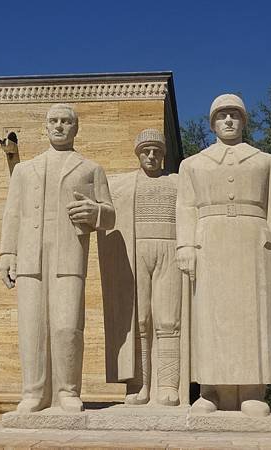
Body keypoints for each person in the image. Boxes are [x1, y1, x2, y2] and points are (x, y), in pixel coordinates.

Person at [176, 94, 271, 415]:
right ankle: (211, 390)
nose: (228, 120)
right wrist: (184, 245)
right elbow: (184, 207)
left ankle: (253, 390)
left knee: (253, 315)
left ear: (243, 121)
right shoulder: (193, 164)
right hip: (208, 244)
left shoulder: (265, 161)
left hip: (253, 243)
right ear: (212, 122)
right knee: (209, 315)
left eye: (234, 115)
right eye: (222, 115)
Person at [0, 104, 115, 413]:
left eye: (66, 121)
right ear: (45, 127)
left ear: (75, 128)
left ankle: (67, 391)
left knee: (67, 325)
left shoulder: (90, 169)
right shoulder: (25, 170)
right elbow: (13, 213)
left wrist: (95, 212)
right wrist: (7, 252)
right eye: (54, 121)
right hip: (30, 255)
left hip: (69, 254)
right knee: (32, 325)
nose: (60, 126)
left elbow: (110, 214)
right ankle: (33, 392)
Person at [99, 129, 186, 406]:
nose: (151, 156)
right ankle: (139, 384)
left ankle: (169, 385)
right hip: (136, 250)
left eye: (157, 152)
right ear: (138, 154)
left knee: (169, 320)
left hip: (169, 250)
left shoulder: (177, 183)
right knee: (139, 319)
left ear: (163, 155)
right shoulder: (121, 184)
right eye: (146, 151)